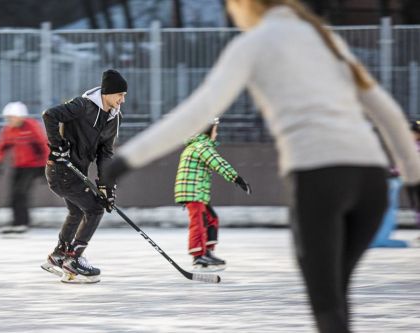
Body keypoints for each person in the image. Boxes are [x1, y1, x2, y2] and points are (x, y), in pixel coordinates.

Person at [102, 1, 420, 332]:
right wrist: (414, 179)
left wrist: (127, 159)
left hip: (319, 177)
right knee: (337, 296)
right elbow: (387, 114)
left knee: (327, 305)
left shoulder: (254, 44)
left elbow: (196, 113)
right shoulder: (324, 39)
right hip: (371, 183)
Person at [40, 69, 127, 284]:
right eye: (120, 95)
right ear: (107, 93)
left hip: (77, 173)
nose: (122, 100)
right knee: (94, 209)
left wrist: (107, 186)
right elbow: (50, 115)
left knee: (78, 211)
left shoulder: (114, 118)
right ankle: (73, 259)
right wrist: (57, 146)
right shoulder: (82, 106)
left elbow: (105, 154)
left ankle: (59, 255)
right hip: (61, 170)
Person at [175, 118, 251, 270]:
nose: (216, 133)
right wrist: (237, 179)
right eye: (215, 130)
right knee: (199, 222)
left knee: (211, 219)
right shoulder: (201, 146)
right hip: (192, 193)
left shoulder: (196, 145)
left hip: (197, 193)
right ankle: (198, 256)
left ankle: (207, 252)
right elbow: (217, 162)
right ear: (207, 130)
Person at [0, 101, 49, 234]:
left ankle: (22, 223)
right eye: (7, 118)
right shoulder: (9, 130)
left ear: (21, 116)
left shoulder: (32, 126)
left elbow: (44, 146)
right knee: (13, 195)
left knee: (21, 193)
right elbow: (0, 146)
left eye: (11, 118)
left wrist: (47, 167)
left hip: (34, 166)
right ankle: (16, 222)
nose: (9, 121)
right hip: (19, 165)